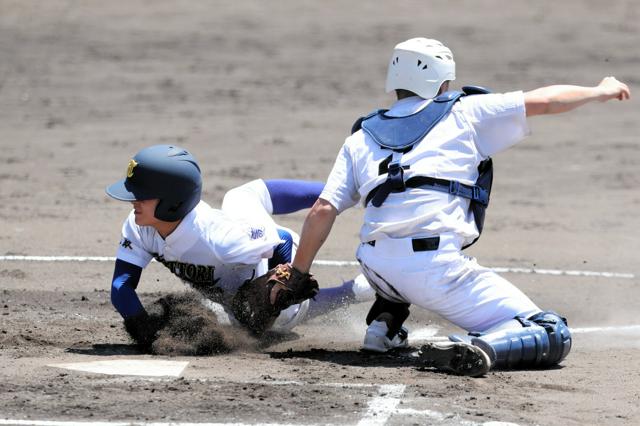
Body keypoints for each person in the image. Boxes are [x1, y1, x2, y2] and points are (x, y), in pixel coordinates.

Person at [290, 38, 631, 376]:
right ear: (441, 80)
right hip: (435, 272)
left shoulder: (360, 136)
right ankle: (479, 347)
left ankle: (382, 329)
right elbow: (545, 100)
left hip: (375, 266)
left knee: (397, 239)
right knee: (550, 331)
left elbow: (322, 209)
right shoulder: (464, 111)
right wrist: (600, 90)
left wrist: (297, 275)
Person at [105, 144, 374, 346]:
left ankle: (345, 194)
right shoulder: (139, 226)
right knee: (240, 198)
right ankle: (356, 288)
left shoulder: (221, 238)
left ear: (171, 201)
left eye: (141, 196)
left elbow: (281, 242)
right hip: (235, 290)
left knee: (264, 316)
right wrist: (144, 331)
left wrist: (277, 293)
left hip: (270, 294)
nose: (132, 201)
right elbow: (121, 287)